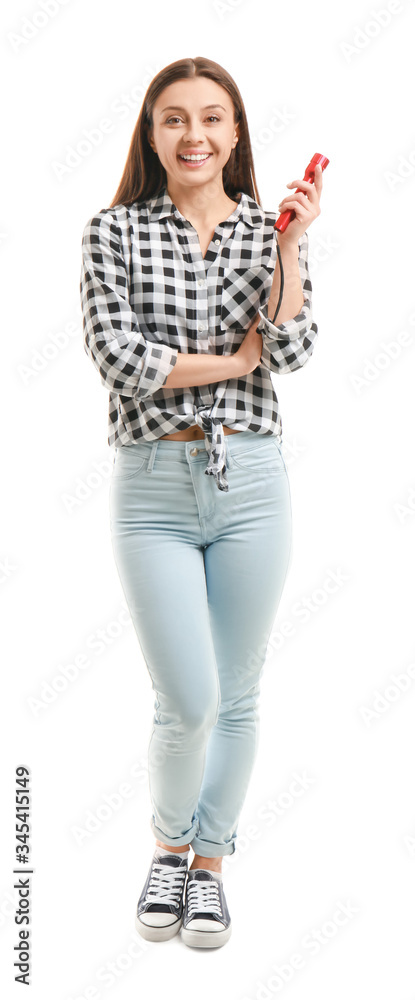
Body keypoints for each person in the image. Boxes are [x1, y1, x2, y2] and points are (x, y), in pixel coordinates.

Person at [79, 56, 324, 950]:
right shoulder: (110, 233)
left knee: (240, 692)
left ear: (235, 133)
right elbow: (123, 362)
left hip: (253, 480)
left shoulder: (270, 229)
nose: (195, 136)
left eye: (212, 119)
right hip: (151, 488)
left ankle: (210, 866)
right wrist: (231, 361)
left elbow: (292, 351)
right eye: (174, 119)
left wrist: (291, 248)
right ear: (151, 133)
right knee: (186, 698)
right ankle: (167, 847)